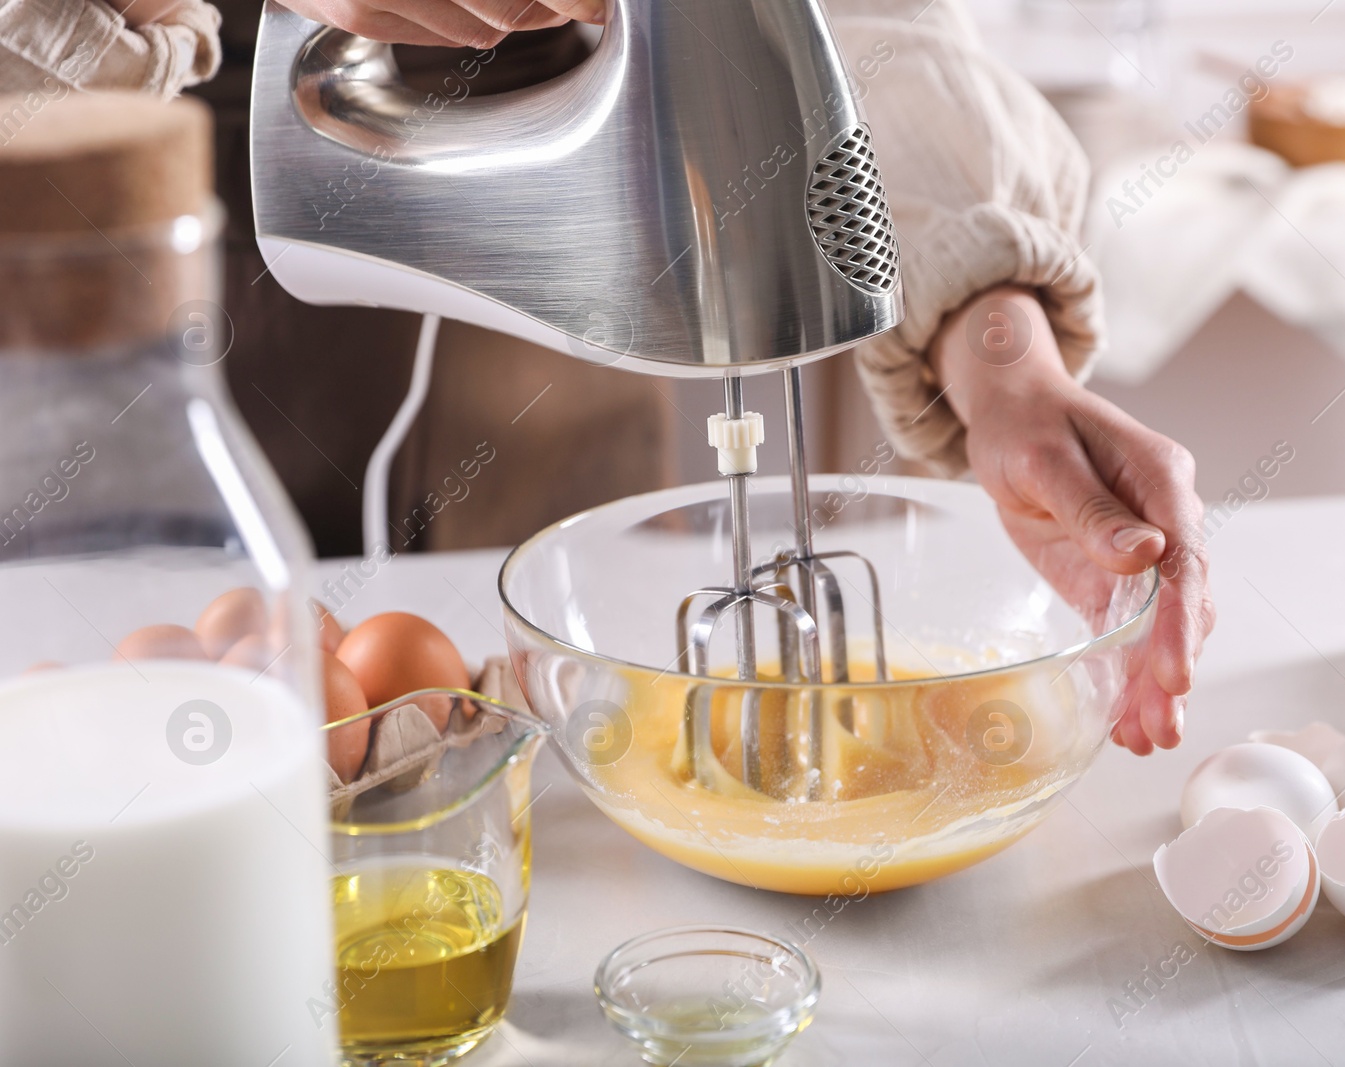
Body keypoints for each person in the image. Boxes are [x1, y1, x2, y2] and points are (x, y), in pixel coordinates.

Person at [0, 0, 1212, 755]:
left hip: (566, 337)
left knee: (543, 769)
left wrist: (996, 340)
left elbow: (821, 28)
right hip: (102, 329)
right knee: (146, 745)